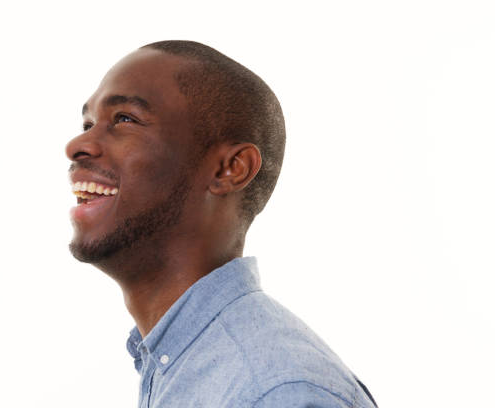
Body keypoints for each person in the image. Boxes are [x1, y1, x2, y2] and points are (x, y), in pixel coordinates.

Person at [65, 40, 378, 408]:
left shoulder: (275, 392)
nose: (78, 144)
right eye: (88, 123)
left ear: (230, 169)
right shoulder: (182, 365)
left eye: (124, 119)